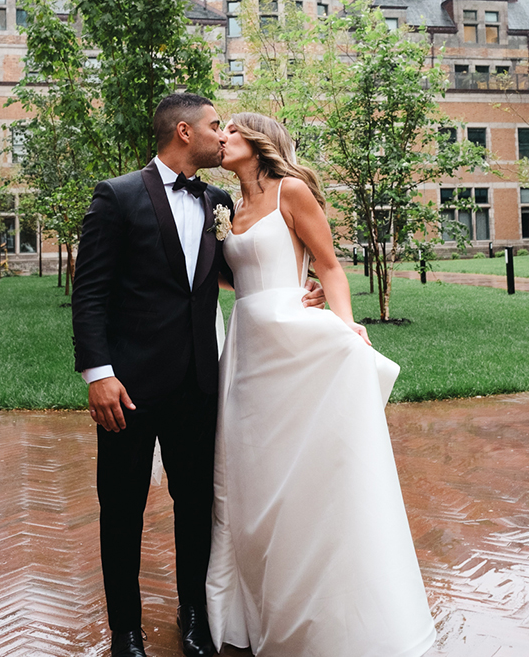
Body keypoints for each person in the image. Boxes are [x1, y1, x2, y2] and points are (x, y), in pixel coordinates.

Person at [71, 92, 326, 657]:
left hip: (200, 387)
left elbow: (231, 272)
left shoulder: (217, 200)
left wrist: (297, 291)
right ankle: (126, 632)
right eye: (216, 126)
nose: (223, 133)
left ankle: (194, 619)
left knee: (197, 508)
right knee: (121, 508)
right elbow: (89, 293)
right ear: (184, 133)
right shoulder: (116, 196)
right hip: (127, 389)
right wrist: (98, 373)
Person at [206, 113, 436, 657]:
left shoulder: (292, 190)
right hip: (246, 347)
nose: (222, 137)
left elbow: (330, 266)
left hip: (295, 342)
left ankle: (326, 614)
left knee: (305, 469)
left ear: (258, 143)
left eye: (232, 131)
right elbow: (228, 275)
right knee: (250, 471)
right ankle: (257, 602)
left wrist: (345, 323)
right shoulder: (226, 208)